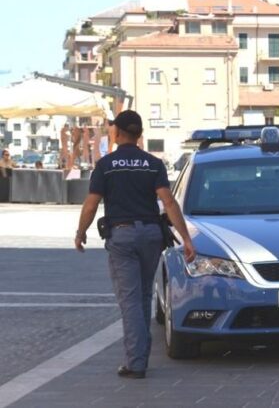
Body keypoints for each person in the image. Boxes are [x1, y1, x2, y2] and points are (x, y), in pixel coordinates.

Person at [74, 110, 195, 379]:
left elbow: (92, 203)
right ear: (140, 134)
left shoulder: (106, 165)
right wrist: (186, 238)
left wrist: (81, 232)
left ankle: (136, 363)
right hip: (152, 235)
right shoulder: (153, 164)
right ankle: (139, 354)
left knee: (129, 300)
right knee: (142, 297)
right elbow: (169, 202)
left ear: (117, 133)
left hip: (123, 236)